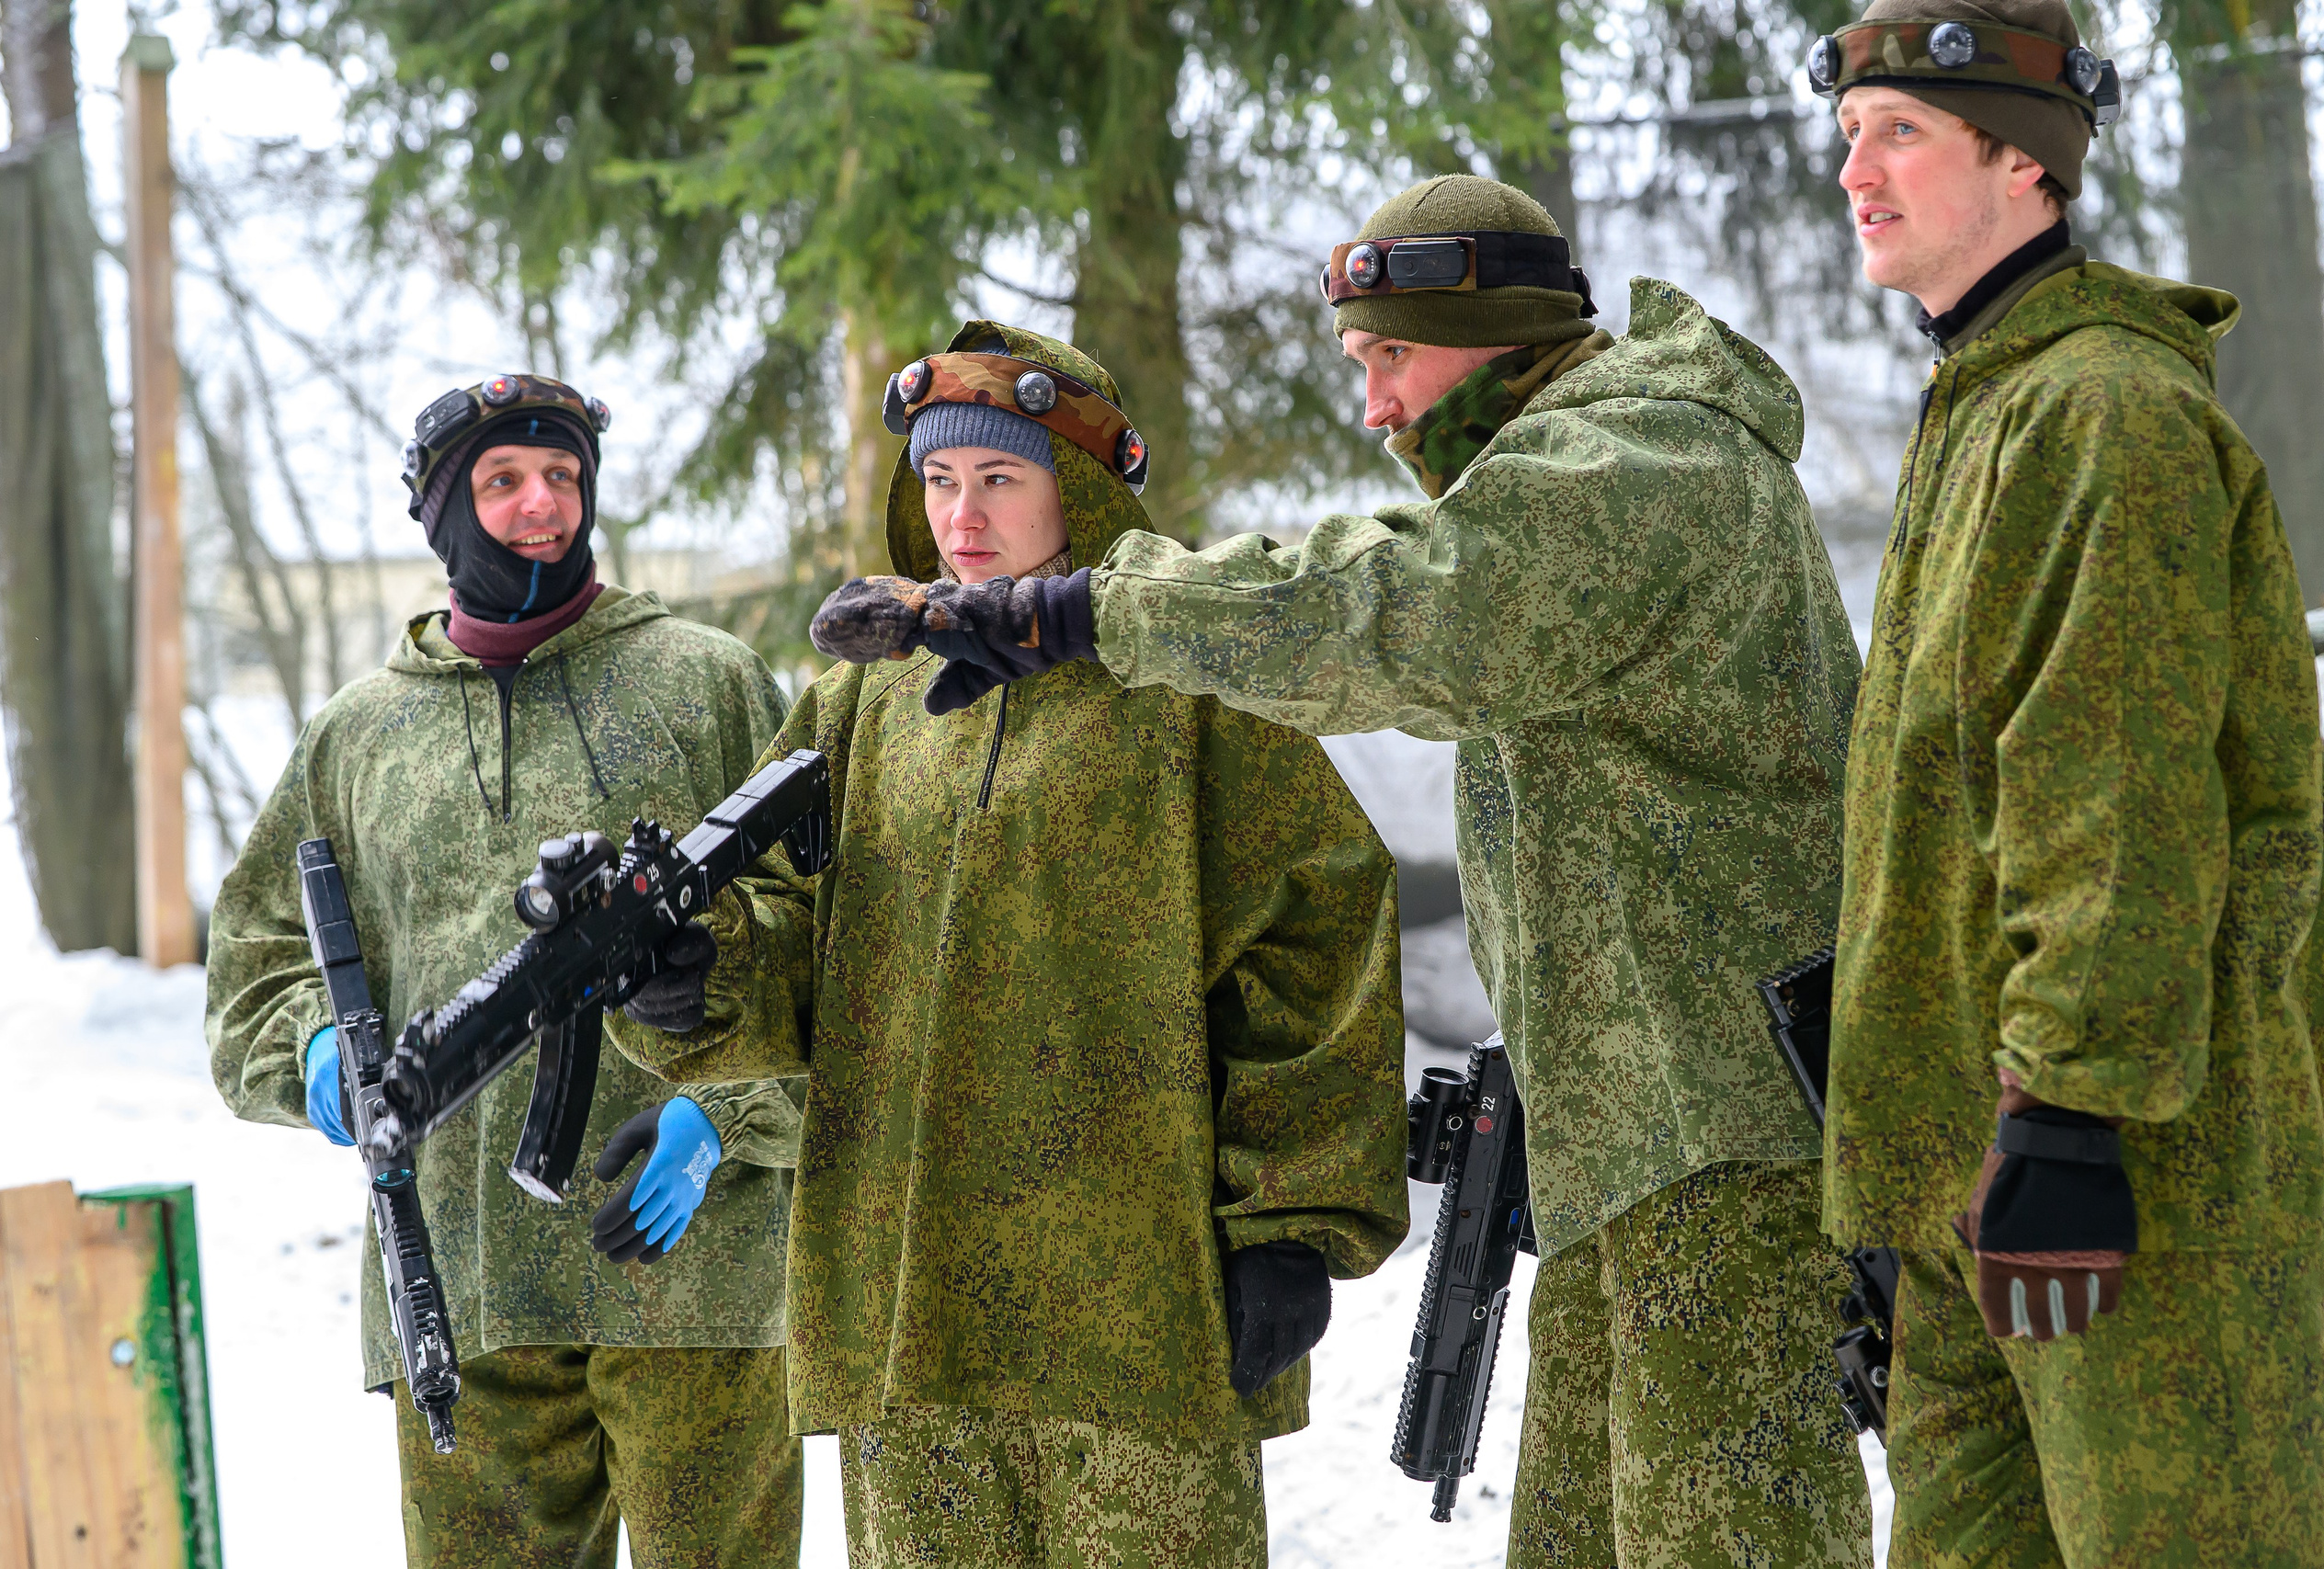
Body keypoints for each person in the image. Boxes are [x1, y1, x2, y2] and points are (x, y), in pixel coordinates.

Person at [812, 180, 1874, 1567]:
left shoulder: (1639, 469)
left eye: (1392, 356)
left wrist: (1085, 610)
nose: (1375, 407)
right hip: (1641, 1141)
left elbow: (1394, 618)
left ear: (1492, 336)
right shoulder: (1565, 479)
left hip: (1727, 1139)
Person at [605, 321, 1408, 1569]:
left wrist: (1292, 1219)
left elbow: (1316, 940)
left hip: (1138, 1306)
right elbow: (786, 924)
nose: (961, 517)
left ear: (1075, 486)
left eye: (999, 477)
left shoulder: (1185, 688)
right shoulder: (861, 699)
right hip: (908, 1309)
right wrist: (697, 971)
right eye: (938, 480)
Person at [1806, 1, 2324, 1561]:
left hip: (2132, 1184)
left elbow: (2119, 800)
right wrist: (1909, 1173)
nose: (1856, 171)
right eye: (1850, 134)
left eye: (1901, 132)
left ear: (2026, 163)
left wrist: (2070, 1112)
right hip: (1970, 1186)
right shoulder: (1987, 402)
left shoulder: (2105, 413)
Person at [206, 374, 804, 1568]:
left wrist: (730, 1114)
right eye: (503, 480)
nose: (542, 504)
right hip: (460, 1285)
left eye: (564, 476)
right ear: (441, 513)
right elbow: (254, 969)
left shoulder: (707, 682)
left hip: (699, 1278)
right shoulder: (357, 738)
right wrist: (319, 1057)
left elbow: (825, 935)